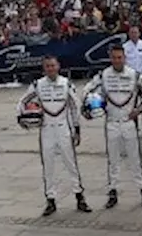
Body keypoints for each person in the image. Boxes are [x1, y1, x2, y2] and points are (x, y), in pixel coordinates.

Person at [17, 56, 90, 216]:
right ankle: (50, 199)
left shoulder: (66, 83)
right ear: (44, 69)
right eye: (47, 66)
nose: (50, 69)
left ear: (58, 66)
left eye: (53, 65)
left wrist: (76, 129)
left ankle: (79, 196)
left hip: (64, 129)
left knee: (71, 164)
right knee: (48, 166)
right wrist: (21, 117)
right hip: (46, 129)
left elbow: (74, 107)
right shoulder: (37, 85)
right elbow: (22, 101)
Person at [82, 44, 142, 209]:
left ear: (124, 58)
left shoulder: (134, 75)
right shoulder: (104, 75)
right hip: (111, 122)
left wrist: (139, 109)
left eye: (120, 57)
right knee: (113, 160)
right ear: (110, 58)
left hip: (128, 122)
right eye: (114, 57)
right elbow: (87, 89)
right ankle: (113, 191)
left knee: (135, 159)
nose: (117, 61)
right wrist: (88, 105)